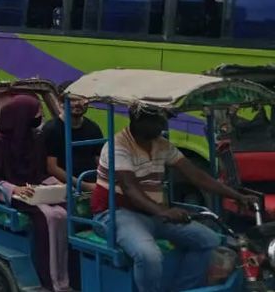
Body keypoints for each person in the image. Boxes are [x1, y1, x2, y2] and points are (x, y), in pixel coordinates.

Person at [91, 103, 260, 292]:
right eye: (158, 122)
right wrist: (165, 211)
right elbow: (131, 189)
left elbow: (196, 175)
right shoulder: (117, 146)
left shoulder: (161, 144)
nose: (163, 127)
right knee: (149, 255)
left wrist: (237, 196)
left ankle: (185, 287)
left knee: (208, 240)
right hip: (116, 213)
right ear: (139, 121)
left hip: (151, 212)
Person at [0, 95, 70, 292]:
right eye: (36, 112)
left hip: (35, 190)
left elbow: (40, 172)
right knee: (47, 217)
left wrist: (56, 185)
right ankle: (48, 279)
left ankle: (64, 276)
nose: (39, 117)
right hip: (12, 192)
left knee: (64, 214)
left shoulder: (35, 139)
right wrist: (15, 189)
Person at [42, 95, 103, 192]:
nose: (78, 103)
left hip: (92, 182)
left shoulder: (93, 127)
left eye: (82, 99)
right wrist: (83, 185)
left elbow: (99, 160)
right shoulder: (51, 130)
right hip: (64, 187)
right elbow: (51, 167)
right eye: (72, 100)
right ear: (61, 103)